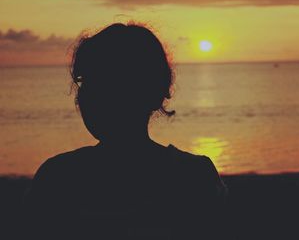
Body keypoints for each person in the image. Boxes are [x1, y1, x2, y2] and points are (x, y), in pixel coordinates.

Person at [22, 23, 228, 239]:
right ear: (159, 93)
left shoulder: (59, 177)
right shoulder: (195, 176)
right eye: (88, 81)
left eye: (112, 83)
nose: (91, 97)